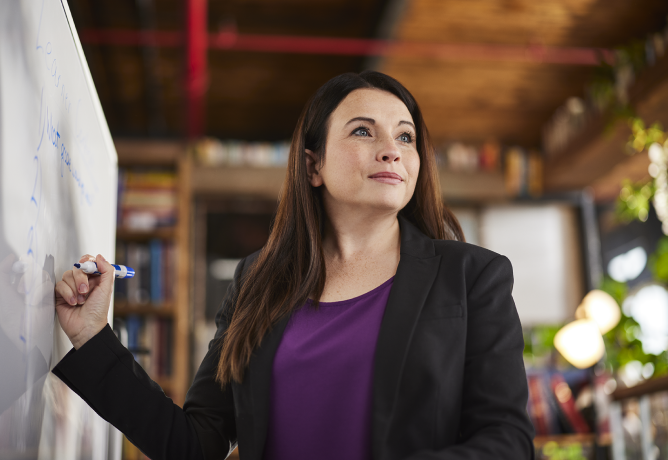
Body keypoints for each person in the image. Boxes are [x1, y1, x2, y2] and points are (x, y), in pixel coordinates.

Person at [53, 71, 535, 460]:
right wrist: (92, 338)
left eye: (405, 137)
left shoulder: (473, 277)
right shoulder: (256, 280)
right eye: (364, 130)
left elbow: (507, 442)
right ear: (313, 166)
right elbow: (194, 445)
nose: (391, 149)